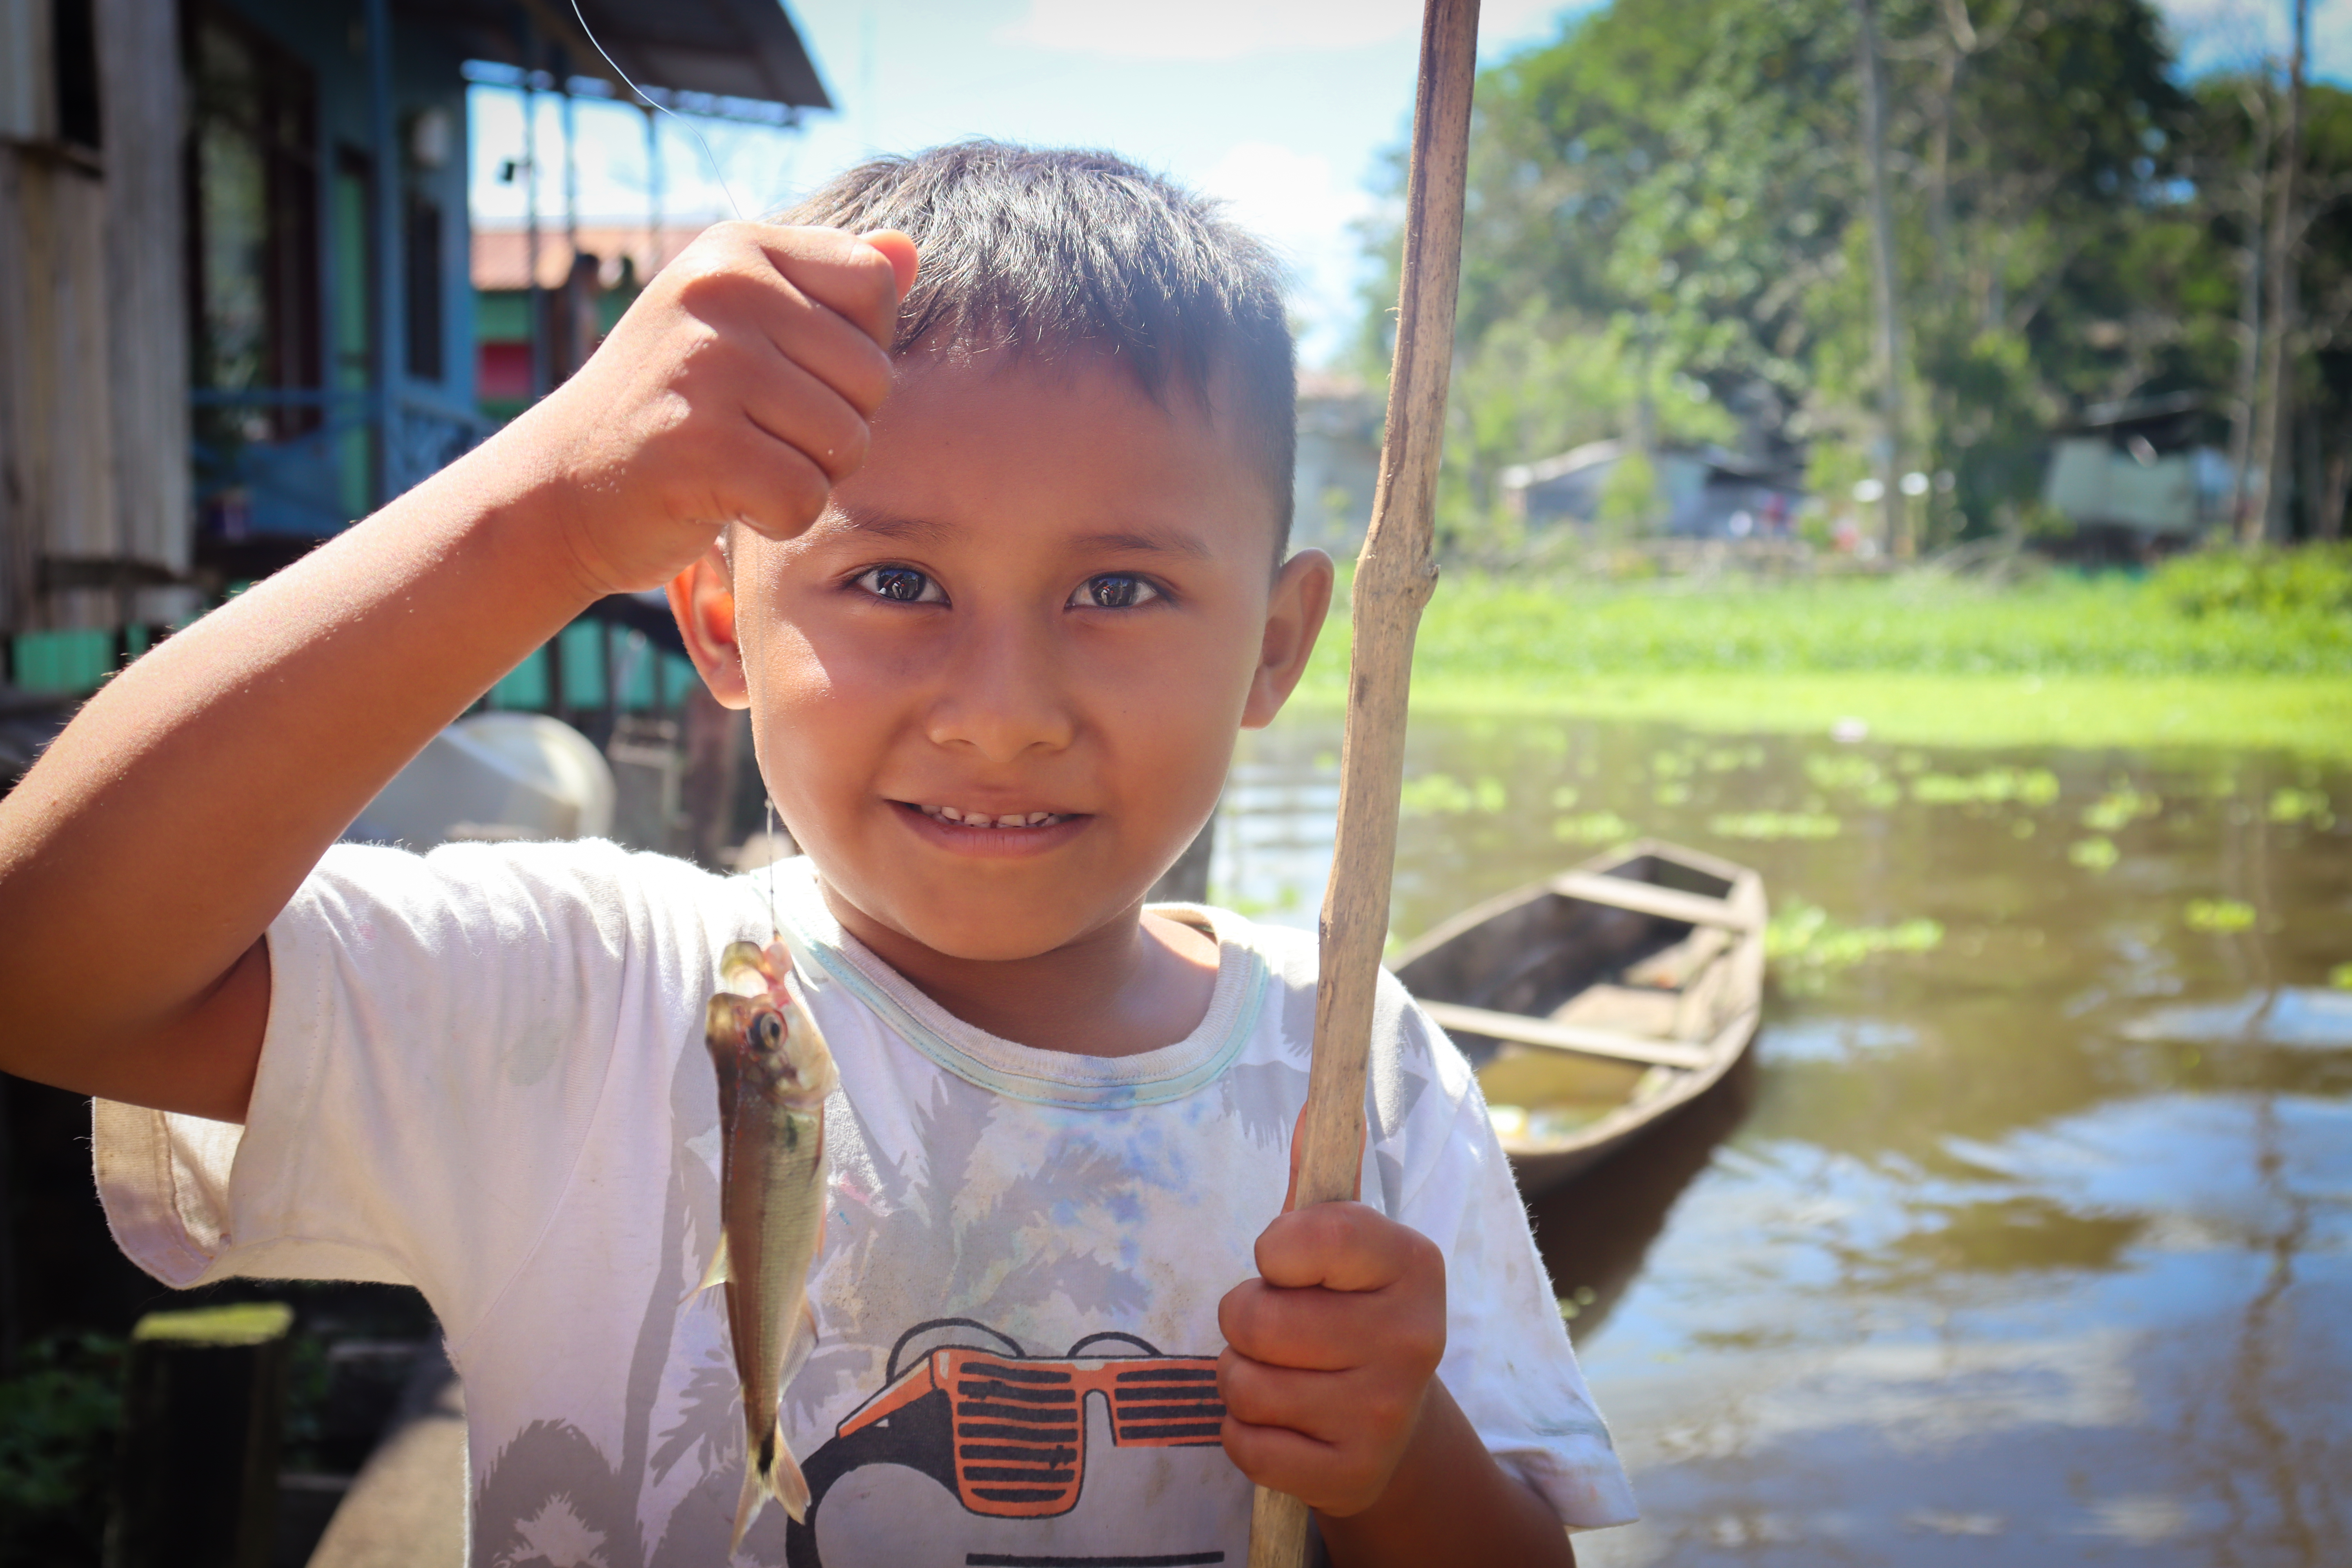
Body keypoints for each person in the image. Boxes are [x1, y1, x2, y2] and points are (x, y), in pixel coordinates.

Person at [0, 142, 1634, 1565]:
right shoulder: (592, 998)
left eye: (1122, 590)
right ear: (718, 616)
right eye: (898, 585)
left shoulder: (1360, 1074)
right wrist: (542, 514)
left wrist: (1400, 1452)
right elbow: (45, 965)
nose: (1003, 718)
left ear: (1277, 648)